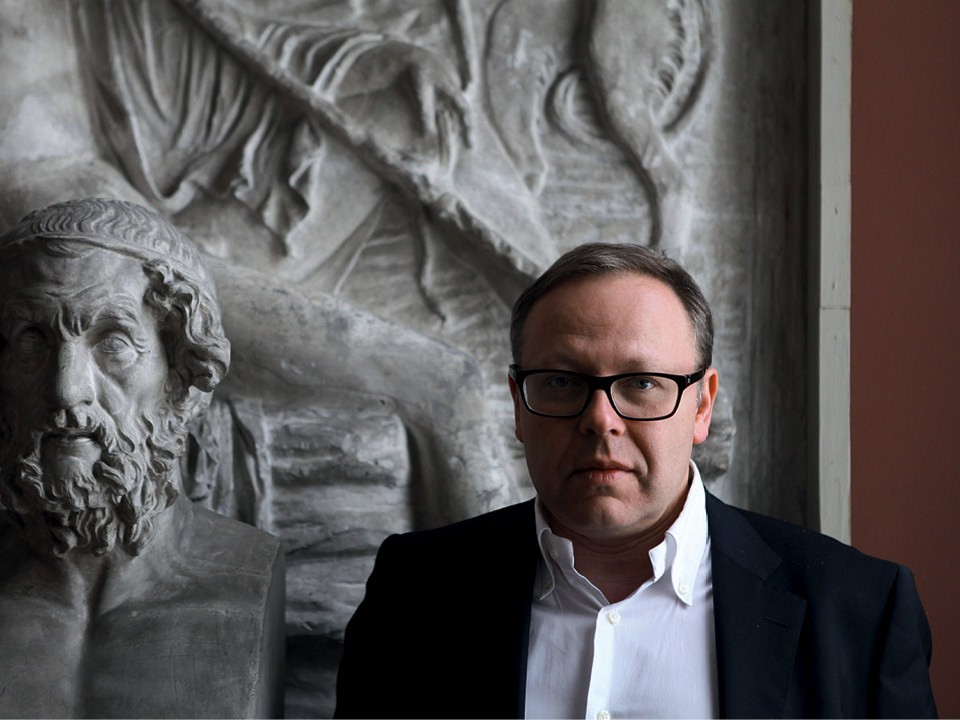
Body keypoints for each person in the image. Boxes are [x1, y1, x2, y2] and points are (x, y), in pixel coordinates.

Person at [335, 242, 937, 719]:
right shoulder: (413, 594)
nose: (601, 420)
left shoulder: (860, 611)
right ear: (518, 405)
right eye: (562, 382)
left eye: (643, 382)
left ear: (702, 405)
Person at [0, 198, 284, 718]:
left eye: (113, 343)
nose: (66, 390)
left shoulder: (245, 583)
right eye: (31, 342)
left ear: (181, 374)